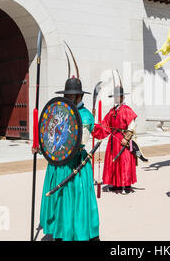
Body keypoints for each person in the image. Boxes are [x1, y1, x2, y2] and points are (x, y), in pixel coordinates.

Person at [35, 71, 99, 241]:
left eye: (73, 95)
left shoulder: (85, 116)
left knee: (75, 199)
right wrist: (41, 148)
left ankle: (77, 232)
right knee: (61, 199)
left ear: (79, 96)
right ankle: (61, 230)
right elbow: (50, 135)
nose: (70, 98)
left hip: (75, 164)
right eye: (67, 95)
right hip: (58, 164)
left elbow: (81, 142)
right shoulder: (58, 111)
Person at [92, 77, 138, 194]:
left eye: (119, 96)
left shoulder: (127, 110)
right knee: (114, 161)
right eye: (115, 96)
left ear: (122, 97)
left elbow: (132, 124)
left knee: (125, 161)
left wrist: (126, 138)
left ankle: (126, 184)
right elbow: (104, 125)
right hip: (113, 140)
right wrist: (93, 124)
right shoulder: (112, 111)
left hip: (123, 140)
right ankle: (116, 184)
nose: (117, 98)